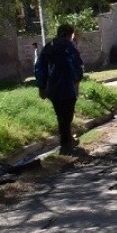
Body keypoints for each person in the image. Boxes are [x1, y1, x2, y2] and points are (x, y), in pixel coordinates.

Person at [35, 24, 84, 154]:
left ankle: (66, 141)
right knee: (67, 115)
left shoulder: (48, 46)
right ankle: (66, 143)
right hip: (67, 86)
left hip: (52, 88)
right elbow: (76, 64)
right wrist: (78, 78)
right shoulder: (69, 46)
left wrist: (41, 86)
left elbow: (40, 67)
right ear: (70, 34)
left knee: (60, 115)